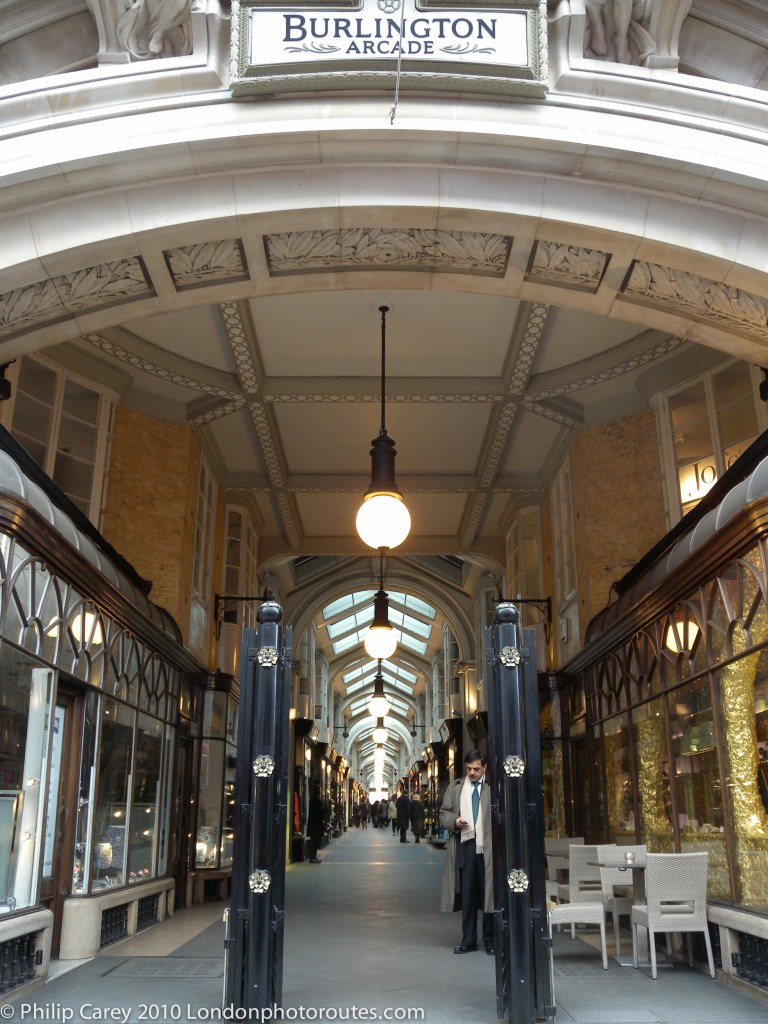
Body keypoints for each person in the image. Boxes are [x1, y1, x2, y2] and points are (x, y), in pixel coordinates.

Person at [439, 749, 494, 955]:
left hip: (488, 847)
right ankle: (468, 939)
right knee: (469, 894)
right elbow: (443, 813)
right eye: (469, 769)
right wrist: (454, 820)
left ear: (485, 767)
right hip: (466, 845)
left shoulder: (492, 787)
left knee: (489, 893)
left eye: (476, 769)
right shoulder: (455, 788)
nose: (472, 773)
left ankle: (490, 939)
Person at [306, 782, 324, 864]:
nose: (320, 790)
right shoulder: (314, 798)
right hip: (315, 824)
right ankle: (312, 858)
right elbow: (315, 811)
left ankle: (313, 857)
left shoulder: (315, 798)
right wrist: (323, 810)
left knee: (315, 841)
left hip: (316, 823)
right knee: (314, 841)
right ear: (315, 789)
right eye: (318, 789)